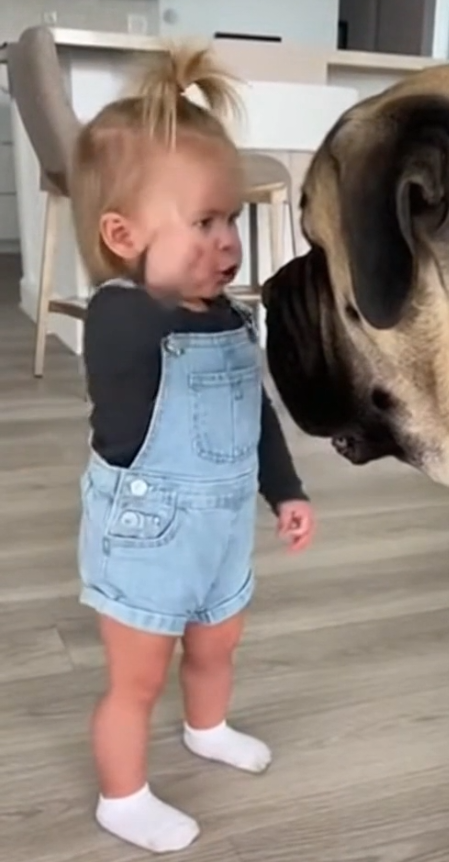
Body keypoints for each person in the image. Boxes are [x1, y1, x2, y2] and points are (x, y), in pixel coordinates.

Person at [70, 43, 315, 854]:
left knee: (218, 645)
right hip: (145, 540)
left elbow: (257, 415)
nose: (228, 242)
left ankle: (207, 727)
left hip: (217, 541)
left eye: (232, 219)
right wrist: (159, 275)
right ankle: (123, 796)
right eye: (203, 222)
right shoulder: (122, 315)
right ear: (122, 234)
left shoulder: (231, 319)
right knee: (136, 679)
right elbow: (134, 331)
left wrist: (287, 492)